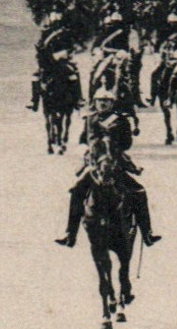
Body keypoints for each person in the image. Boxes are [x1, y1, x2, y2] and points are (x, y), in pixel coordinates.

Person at [54, 89, 161, 248]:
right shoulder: (90, 119)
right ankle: (70, 234)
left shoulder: (120, 120)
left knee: (139, 192)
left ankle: (147, 233)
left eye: (106, 101)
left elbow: (127, 144)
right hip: (96, 165)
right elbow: (84, 139)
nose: (102, 104)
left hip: (115, 165)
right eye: (99, 101)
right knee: (76, 192)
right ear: (95, 102)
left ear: (112, 103)